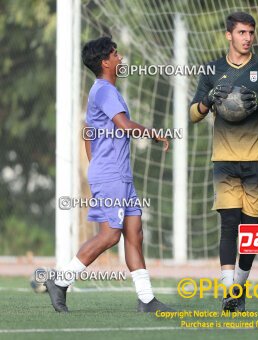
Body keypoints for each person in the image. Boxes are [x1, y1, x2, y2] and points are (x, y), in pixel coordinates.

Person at [45, 36, 174, 313]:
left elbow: (88, 133)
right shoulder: (104, 91)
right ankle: (60, 280)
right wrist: (154, 134)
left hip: (117, 174)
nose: (120, 57)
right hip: (112, 175)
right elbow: (124, 125)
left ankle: (147, 299)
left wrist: (98, 166)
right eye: (115, 54)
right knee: (110, 236)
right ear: (105, 62)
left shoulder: (104, 91)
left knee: (134, 232)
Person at [189, 12, 258, 312]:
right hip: (224, 158)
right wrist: (208, 99)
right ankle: (228, 292)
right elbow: (193, 114)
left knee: (252, 230)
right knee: (229, 224)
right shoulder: (212, 69)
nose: (248, 38)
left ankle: (239, 286)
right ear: (229, 35)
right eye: (241, 33)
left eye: (251, 32)